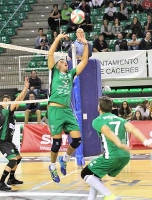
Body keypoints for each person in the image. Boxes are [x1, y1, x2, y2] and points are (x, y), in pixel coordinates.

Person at [81, 96, 152, 200]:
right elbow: (133, 129)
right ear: (112, 108)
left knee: (85, 173)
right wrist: (146, 141)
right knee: (95, 176)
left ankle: (109, 195)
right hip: (125, 156)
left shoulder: (97, 121)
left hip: (112, 156)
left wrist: (119, 143)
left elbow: (107, 131)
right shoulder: (121, 119)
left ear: (99, 108)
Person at [47, 32, 89, 183]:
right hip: (55, 110)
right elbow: (50, 53)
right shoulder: (55, 72)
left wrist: (85, 44)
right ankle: (52, 166)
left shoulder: (71, 74)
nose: (65, 62)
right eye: (62, 61)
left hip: (66, 110)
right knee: (57, 143)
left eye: (66, 61)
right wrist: (57, 38)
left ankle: (64, 159)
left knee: (77, 140)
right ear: (57, 65)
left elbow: (84, 61)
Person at [0, 78, 29, 191]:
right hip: (2, 141)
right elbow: (17, 100)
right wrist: (25, 88)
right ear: (2, 104)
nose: (7, 101)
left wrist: (26, 89)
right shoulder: (5, 111)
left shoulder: (11, 113)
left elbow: (19, 100)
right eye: (5, 100)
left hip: (8, 141)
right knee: (13, 160)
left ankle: (12, 178)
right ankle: (0, 183)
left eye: (8, 99)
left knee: (18, 158)